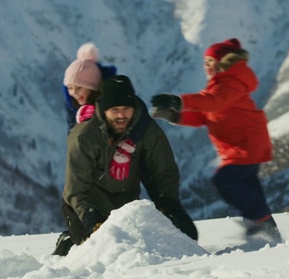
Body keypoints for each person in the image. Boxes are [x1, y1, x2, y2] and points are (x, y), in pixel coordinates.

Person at [150, 38, 282, 245]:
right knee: (247, 185)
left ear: (225, 62)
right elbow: (205, 115)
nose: (207, 66)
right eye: (205, 62)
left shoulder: (231, 83)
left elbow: (213, 102)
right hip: (240, 146)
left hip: (245, 145)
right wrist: (174, 115)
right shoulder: (222, 84)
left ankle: (259, 222)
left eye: (211, 60)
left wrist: (179, 101)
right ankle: (265, 225)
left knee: (225, 180)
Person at [56, 75, 198, 256]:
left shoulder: (147, 130)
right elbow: (75, 190)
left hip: (124, 206)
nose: (121, 115)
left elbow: (164, 171)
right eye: (115, 110)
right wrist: (92, 219)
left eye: (126, 109)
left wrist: (168, 204)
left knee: (186, 235)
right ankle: (70, 241)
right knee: (97, 250)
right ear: (104, 111)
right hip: (84, 204)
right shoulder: (84, 137)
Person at [52, 43, 117, 256]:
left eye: (79, 88)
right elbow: (72, 136)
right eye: (70, 88)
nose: (74, 93)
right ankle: (79, 239)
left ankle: (83, 241)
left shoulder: (111, 102)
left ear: (93, 86)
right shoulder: (73, 105)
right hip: (88, 164)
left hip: (114, 168)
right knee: (72, 199)